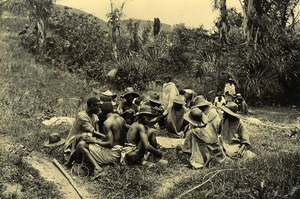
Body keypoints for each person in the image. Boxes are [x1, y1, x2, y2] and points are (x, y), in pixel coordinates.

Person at [76, 107, 127, 178]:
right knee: (94, 144)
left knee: (81, 145)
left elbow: (110, 144)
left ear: (104, 113)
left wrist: (95, 141)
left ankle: (97, 167)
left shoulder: (107, 122)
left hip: (112, 154)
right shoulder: (121, 119)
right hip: (120, 152)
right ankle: (102, 165)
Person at [64, 97, 105, 167]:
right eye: (98, 107)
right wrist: (104, 136)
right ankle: (77, 161)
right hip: (74, 140)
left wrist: (100, 138)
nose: (99, 109)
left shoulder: (94, 116)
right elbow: (93, 131)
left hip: (85, 138)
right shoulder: (82, 116)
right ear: (91, 106)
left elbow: (97, 131)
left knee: (91, 138)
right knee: (86, 135)